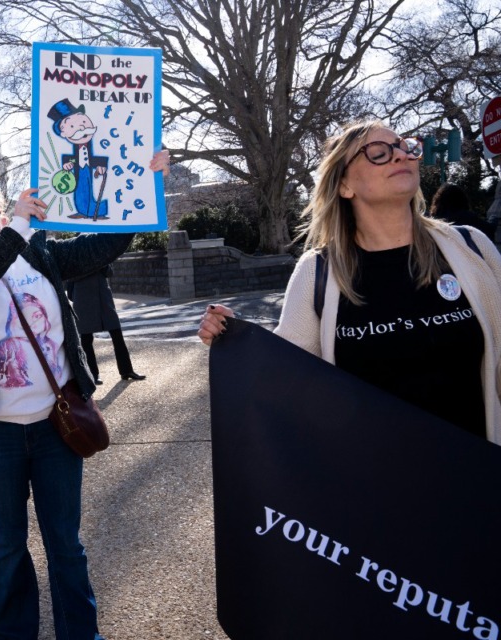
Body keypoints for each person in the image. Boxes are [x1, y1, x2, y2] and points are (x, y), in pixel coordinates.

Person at [0, 154, 167, 640]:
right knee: (8, 546)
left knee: (65, 542)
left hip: (54, 427)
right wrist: (16, 228)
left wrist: (147, 189)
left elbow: (99, 249)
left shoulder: (38, 252)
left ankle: (82, 635)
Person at [198, 119, 501, 443]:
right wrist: (235, 339)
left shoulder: (471, 248)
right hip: (371, 486)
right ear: (344, 185)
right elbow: (281, 380)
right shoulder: (318, 271)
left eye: (405, 146)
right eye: (378, 152)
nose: (401, 155)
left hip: (479, 480)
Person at [66, 264, 145, 384]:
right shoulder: (75, 251)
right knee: (86, 339)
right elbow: (70, 279)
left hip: (102, 297)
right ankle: (92, 374)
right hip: (83, 300)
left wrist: (100, 263)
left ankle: (126, 370)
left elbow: (109, 272)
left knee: (116, 333)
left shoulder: (98, 251)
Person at [429, 182, 494, 236]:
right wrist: (493, 219)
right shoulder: (468, 217)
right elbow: (489, 230)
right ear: (461, 199)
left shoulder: (433, 220)